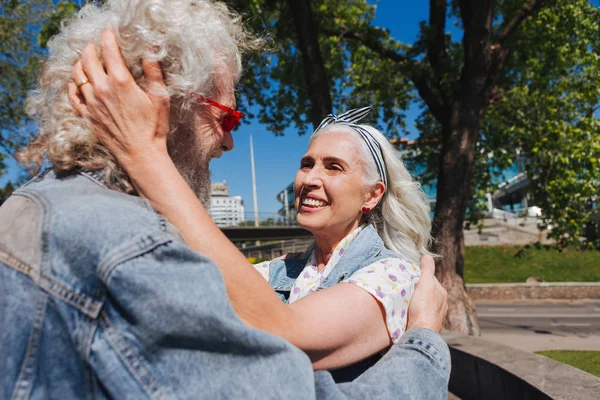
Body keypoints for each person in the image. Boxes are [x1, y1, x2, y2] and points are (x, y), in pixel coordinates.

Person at [0, 1, 450, 399]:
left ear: (374, 195)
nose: (307, 179)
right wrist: (425, 335)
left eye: (333, 167)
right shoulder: (146, 249)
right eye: (230, 118)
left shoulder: (26, 208)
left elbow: (284, 331)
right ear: (165, 104)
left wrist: (147, 157)